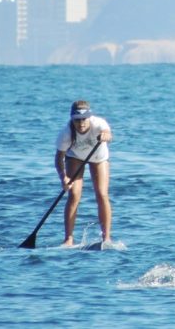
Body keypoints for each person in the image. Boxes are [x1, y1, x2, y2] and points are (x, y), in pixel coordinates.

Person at [54, 100, 113, 246]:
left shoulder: (99, 123)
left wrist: (106, 135)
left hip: (99, 158)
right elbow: (58, 158)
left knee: (102, 194)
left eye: (84, 120)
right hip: (75, 157)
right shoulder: (65, 133)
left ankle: (106, 238)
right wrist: (64, 178)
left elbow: (108, 133)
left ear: (89, 117)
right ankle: (68, 239)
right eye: (77, 120)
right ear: (72, 119)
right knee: (74, 194)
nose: (81, 124)